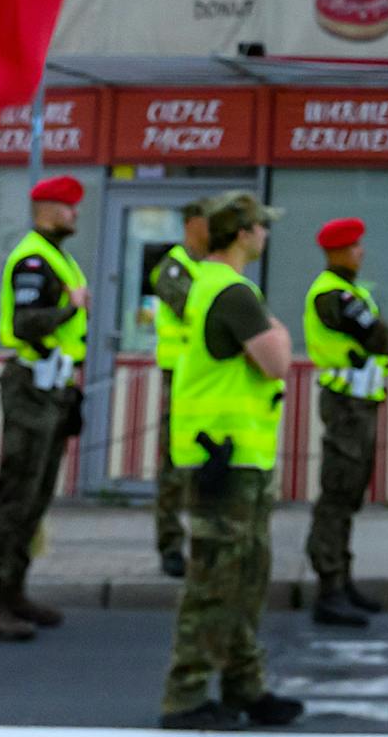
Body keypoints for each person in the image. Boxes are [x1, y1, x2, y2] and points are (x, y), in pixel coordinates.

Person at [159, 191, 303, 731]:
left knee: (245, 578)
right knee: (216, 582)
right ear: (243, 234)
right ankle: (186, 697)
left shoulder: (213, 285)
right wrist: (279, 330)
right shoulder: (234, 292)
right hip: (226, 459)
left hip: (233, 456)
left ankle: (246, 685)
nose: (265, 234)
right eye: (261, 226)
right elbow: (277, 362)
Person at [0, 174, 90, 642]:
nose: (74, 213)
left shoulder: (57, 258)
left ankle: (14, 589)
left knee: (36, 496)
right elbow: (26, 323)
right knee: (17, 493)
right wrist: (70, 308)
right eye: (68, 206)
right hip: (31, 387)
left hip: (53, 387)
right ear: (46, 209)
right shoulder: (34, 260)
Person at [303, 216, 388, 627]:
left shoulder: (351, 291)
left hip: (360, 403)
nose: (362, 252)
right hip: (346, 405)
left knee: (350, 493)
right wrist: (383, 336)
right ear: (338, 251)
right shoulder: (332, 294)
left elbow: (382, 336)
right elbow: (380, 338)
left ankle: (342, 580)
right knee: (338, 492)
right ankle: (329, 588)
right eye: (355, 246)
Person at [152, 199, 211, 578]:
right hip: (180, 378)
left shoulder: (212, 267)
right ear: (192, 224)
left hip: (209, 377)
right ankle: (171, 545)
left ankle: (206, 542)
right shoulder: (172, 268)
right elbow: (199, 310)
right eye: (209, 222)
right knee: (175, 466)